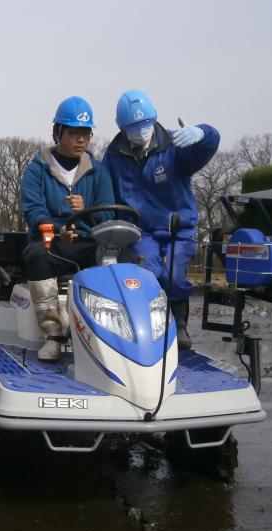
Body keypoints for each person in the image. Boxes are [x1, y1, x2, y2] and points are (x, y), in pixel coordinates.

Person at [102, 89, 220, 350]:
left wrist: (203, 134)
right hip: (141, 230)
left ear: (154, 119)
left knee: (174, 276)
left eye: (146, 124)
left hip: (178, 226)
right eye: (134, 127)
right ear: (122, 128)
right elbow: (106, 192)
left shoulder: (174, 147)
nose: (141, 130)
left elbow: (206, 147)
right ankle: (152, 327)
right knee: (149, 274)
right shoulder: (113, 156)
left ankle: (179, 324)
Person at [21, 96, 115, 361]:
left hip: (87, 241)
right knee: (36, 256)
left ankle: (104, 333)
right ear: (57, 133)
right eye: (74, 133)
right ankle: (53, 333)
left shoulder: (100, 172)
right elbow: (33, 210)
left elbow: (107, 213)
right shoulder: (36, 169)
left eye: (86, 133)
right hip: (51, 241)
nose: (81, 140)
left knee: (116, 260)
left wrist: (84, 210)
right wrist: (55, 229)